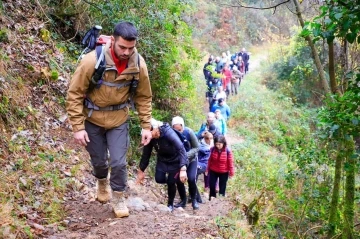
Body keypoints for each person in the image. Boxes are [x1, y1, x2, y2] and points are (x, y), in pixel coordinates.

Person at [66, 22, 152, 218]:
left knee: (119, 162)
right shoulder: (91, 61)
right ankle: (102, 181)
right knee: (99, 160)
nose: (126, 52)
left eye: (131, 48)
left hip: (119, 119)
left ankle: (119, 197)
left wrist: (146, 125)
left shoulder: (138, 64)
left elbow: (144, 96)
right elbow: (75, 93)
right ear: (113, 40)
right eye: (122, 47)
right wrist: (78, 127)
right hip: (92, 118)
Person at [136, 119, 188, 212]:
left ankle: (170, 204)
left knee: (171, 182)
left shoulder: (168, 132)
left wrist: (183, 168)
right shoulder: (150, 137)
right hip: (162, 160)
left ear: (156, 129)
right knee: (159, 179)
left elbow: (181, 149)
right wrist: (141, 170)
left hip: (175, 160)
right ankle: (173, 182)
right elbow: (146, 154)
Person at [171, 116, 200, 210]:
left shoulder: (189, 132)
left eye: (180, 129)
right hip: (178, 161)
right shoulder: (171, 135)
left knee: (191, 178)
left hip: (191, 160)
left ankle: (194, 200)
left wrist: (186, 155)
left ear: (182, 126)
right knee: (179, 180)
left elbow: (196, 147)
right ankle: (183, 200)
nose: (178, 132)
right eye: (176, 130)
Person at [206, 135, 235, 199]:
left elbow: (230, 162)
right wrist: (207, 169)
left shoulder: (228, 151)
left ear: (223, 143)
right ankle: (212, 197)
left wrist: (231, 173)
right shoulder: (212, 149)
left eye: (219, 144)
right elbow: (209, 160)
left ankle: (221, 198)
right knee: (212, 184)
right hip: (213, 170)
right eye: (216, 144)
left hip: (224, 171)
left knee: (222, 186)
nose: (218, 146)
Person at [196, 131, 214, 202]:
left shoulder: (212, 146)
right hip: (200, 164)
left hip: (207, 164)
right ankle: (195, 196)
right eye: (207, 138)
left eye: (211, 138)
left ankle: (207, 189)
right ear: (205, 138)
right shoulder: (200, 145)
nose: (209, 140)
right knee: (194, 179)